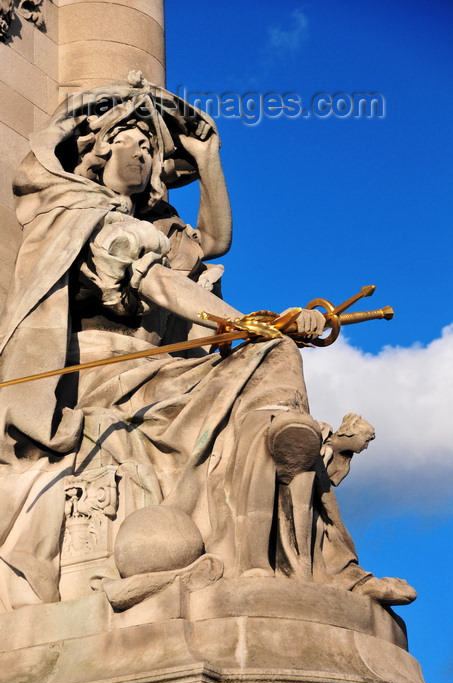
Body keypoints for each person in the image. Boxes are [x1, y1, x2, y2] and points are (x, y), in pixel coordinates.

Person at [0, 74, 415, 610]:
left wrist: (208, 158)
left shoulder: (153, 226)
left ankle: (333, 560)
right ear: (99, 152)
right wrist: (248, 323)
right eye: (138, 145)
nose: (148, 159)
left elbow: (213, 241)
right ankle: (288, 471)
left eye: (154, 151)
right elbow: (157, 280)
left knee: (269, 373)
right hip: (104, 378)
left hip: (164, 371)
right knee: (266, 350)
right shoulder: (81, 217)